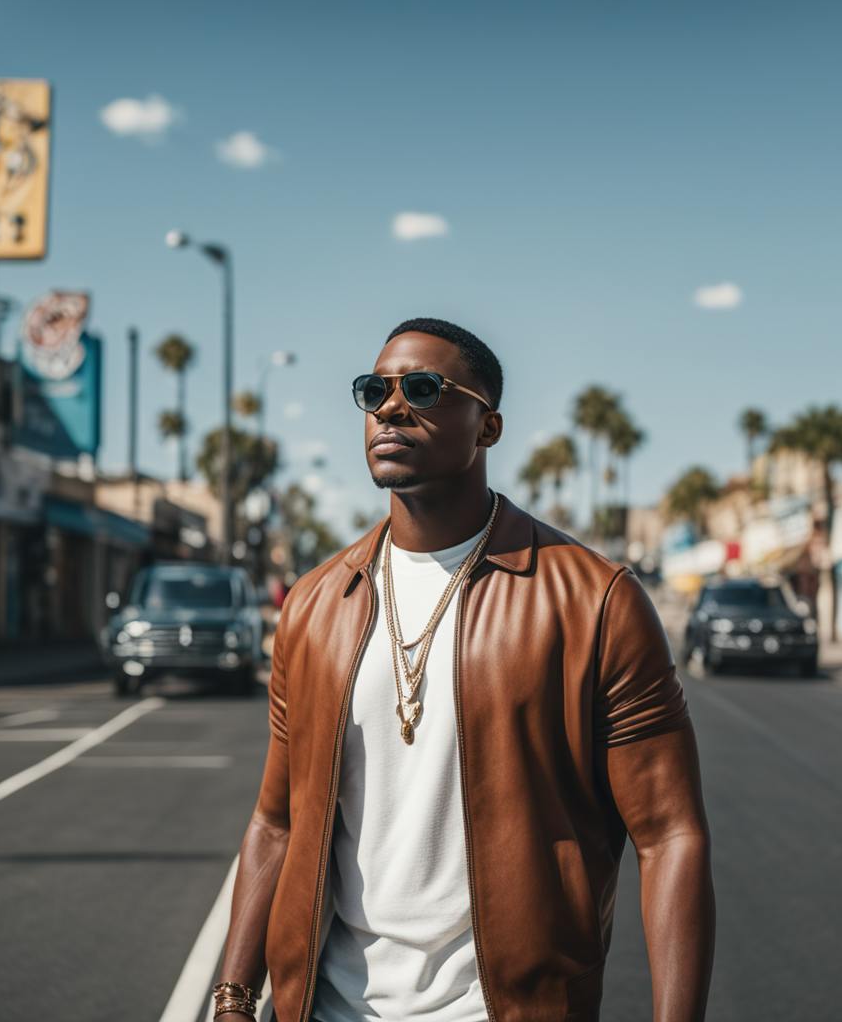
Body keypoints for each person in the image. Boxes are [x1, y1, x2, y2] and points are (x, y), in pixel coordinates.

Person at [213, 318, 714, 1022]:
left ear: (488, 428)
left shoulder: (593, 600)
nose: (391, 407)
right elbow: (276, 823)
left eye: (423, 389)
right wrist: (234, 998)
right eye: (374, 390)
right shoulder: (315, 604)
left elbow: (670, 835)